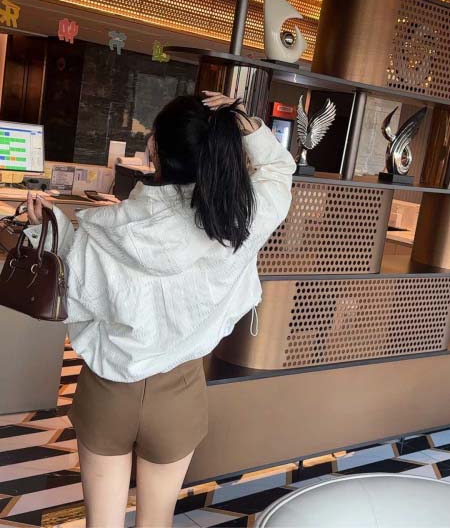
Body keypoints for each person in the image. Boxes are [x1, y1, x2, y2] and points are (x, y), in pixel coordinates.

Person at [26, 91, 296, 528]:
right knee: (157, 521)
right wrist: (243, 122)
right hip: (180, 391)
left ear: (153, 147)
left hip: (108, 388)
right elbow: (280, 169)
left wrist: (52, 226)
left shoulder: (104, 231)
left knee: (102, 523)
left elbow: (73, 291)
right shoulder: (238, 220)